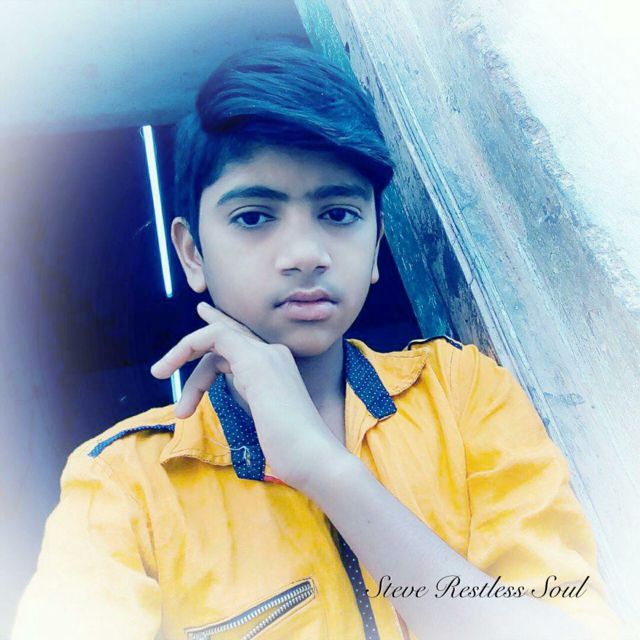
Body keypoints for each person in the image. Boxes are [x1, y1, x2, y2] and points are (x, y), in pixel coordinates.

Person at [13, 39, 623, 640]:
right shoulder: (124, 481)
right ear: (192, 253)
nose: (305, 254)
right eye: (254, 217)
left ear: (376, 245)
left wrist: (322, 467)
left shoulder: (462, 394)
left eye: (338, 214)